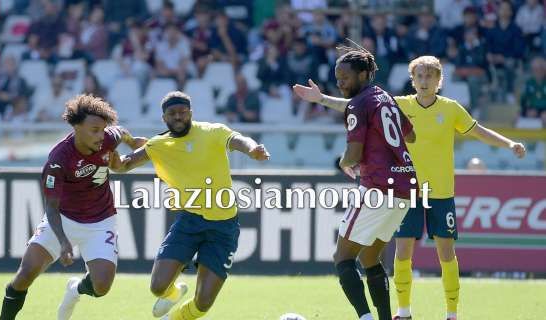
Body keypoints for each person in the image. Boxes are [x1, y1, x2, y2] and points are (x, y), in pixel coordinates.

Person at [293, 55, 527, 320]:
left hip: (428, 191)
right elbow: (365, 110)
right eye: (420, 76)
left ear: (440, 81)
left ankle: (450, 314)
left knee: (441, 255)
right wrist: (322, 98)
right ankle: (402, 313)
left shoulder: (450, 109)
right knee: (393, 255)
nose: (425, 81)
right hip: (410, 191)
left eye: (430, 76)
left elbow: (478, 130)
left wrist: (509, 144)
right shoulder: (395, 102)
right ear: (412, 79)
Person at [109, 91, 270, 320]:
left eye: (182, 112)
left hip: (223, 227)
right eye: (172, 113)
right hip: (189, 220)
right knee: (157, 287)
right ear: (164, 118)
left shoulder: (212, 131)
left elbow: (239, 140)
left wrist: (253, 149)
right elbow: (124, 165)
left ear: (191, 113)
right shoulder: (159, 144)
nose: (178, 117)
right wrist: (112, 156)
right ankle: (174, 293)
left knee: (202, 303)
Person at [0, 94, 147, 320]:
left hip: (101, 220)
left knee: (102, 287)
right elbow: (51, 207)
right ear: (77, 127)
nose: (101, 135)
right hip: (62, 220)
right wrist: (63, 241)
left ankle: (75, 290)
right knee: (25, 274)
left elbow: (120, 131)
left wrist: (132, 141)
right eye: (94, 130)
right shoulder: (59, 160)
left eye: (102, 129)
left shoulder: (108, 137)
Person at [299, 44, 417, 320]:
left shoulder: (357, 104)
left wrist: (343, 162)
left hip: (377, 186)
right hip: (405, 186)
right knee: (370, 258)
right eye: (338, 78)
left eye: (345, 78)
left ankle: (365, 317)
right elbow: (410, 137)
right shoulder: (385, 98)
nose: (340, 83)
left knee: (343, 257)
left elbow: (352, 153)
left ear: (364, 75)